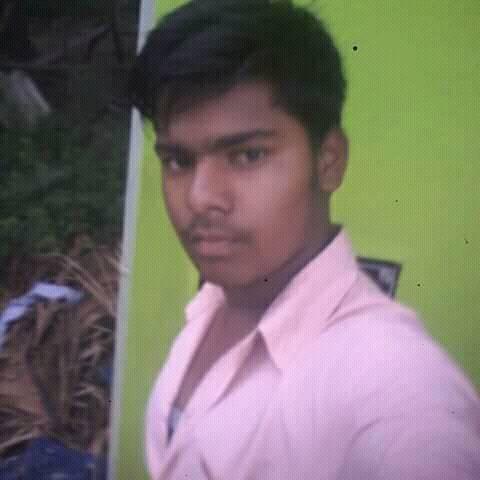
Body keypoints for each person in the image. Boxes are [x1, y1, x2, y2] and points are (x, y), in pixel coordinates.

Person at [129, 1, 480, 478]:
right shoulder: (213, 306)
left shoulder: (399, 391)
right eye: (178, 161)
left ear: (329, 161)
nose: (200, 197)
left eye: (247, 155)